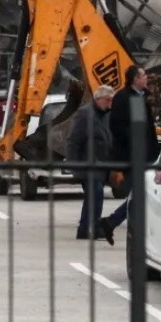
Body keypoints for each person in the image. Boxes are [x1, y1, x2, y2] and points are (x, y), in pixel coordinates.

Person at [100, 65, 160, 243]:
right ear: (135, 79)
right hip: (130, 156)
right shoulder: (123, 98)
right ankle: (111, 222)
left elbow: (146, 129)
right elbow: (118, 127)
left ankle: (111, 222)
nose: (146, 78)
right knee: (141, 194)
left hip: (145, 154)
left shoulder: (142, 97)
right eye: (143, 76)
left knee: (142, 194)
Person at [65, 85, 116, 241]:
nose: (110, 104)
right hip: (87, 165)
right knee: (96, 194)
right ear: (98, 98)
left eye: (111, 100)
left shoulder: (105, 115)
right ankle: (88, 227)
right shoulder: (85, 114)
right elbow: (73, 141)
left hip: (101, 165)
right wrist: (75, 166)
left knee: (93, 197)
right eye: (108, 100)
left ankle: (86, 227)